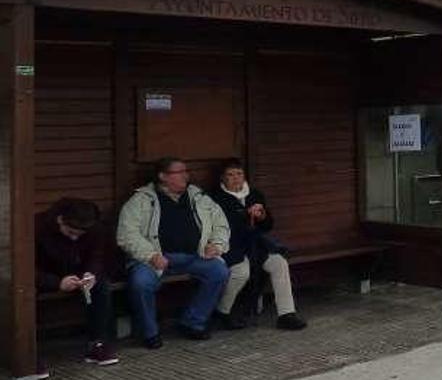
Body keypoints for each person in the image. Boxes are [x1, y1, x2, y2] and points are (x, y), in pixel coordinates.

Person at [118, 157, 230, 348]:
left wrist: (216, 244)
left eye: (186, 171)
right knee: (141, 282)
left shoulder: (198, 196)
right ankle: (149, 332)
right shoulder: (141, 200)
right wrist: (150, 255)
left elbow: (220, 223)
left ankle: (193, 322)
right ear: (163, 176)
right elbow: (126, 234)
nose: (186, 175)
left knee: (219, 271)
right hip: (155, 258)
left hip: (193, 256)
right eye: (180, 172)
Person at [208, 159, 308, 331]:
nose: (236, 179)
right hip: (229, 246)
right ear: (222, 178)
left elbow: (268, 225)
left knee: (279, 263)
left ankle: (286, 314)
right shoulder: (215, 198)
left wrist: (261, 216)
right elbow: (222, 227)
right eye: (230, 175)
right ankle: (222, 312)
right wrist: (245, 215)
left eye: (239, 174)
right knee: (242, 270)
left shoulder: (254, 194)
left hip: (255, 244)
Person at [35, 198, 119, 371]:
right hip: (45, 276)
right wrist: (57, 282)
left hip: (78, 273)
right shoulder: (37, 227)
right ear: (60, 220)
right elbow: (25, 268)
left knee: (101, 285)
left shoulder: (94, 228)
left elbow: (98, 255)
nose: (74, 237)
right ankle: (29, 352)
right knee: (25, 293)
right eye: (70, 232)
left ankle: (97, 343)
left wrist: (91, 274)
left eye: (79, 234)